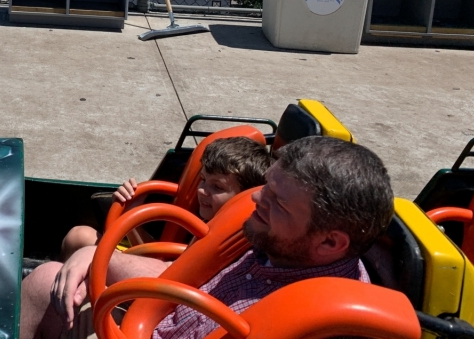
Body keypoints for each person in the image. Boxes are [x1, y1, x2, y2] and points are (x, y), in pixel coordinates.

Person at [20, 136, 395, 339]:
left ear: (330, 243)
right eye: (266, 187)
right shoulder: (276, 241)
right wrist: (95, 256)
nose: (256, 201)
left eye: (277, 202)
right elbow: (182, 275)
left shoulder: (321, 323)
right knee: (47, 279)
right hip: (153, 319)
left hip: (142, 329)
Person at [60, 137, 272, 259]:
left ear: (246, 195)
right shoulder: (209, 219)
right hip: (159, 272)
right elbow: (158, 257)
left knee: (82, 244)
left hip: (161, 297)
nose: (202, 191)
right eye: (203, 180)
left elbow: (164, 269)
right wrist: (131, 214)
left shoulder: (231, 239)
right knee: (80, 235)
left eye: (217, 186)